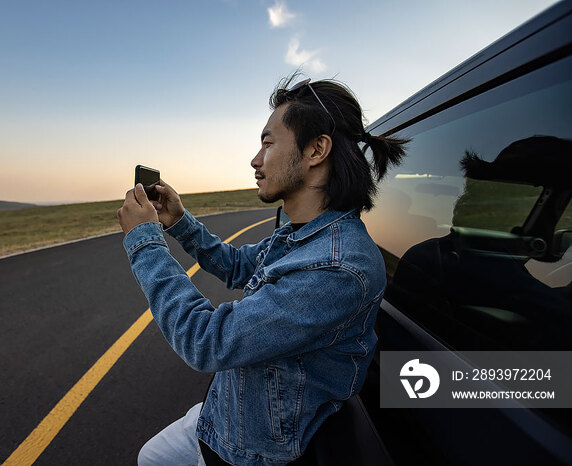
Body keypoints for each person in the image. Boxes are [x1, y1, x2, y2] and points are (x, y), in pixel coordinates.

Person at [117, 74, 409, 465]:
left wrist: (145, 241)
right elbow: (238, 266)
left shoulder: (337, 268)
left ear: (316, 150)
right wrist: (179, 221)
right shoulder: (302, 235)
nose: (256, 160)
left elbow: (208, 341)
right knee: (150, 457)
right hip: (222, 419)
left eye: (268, 143)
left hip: (251, 452)